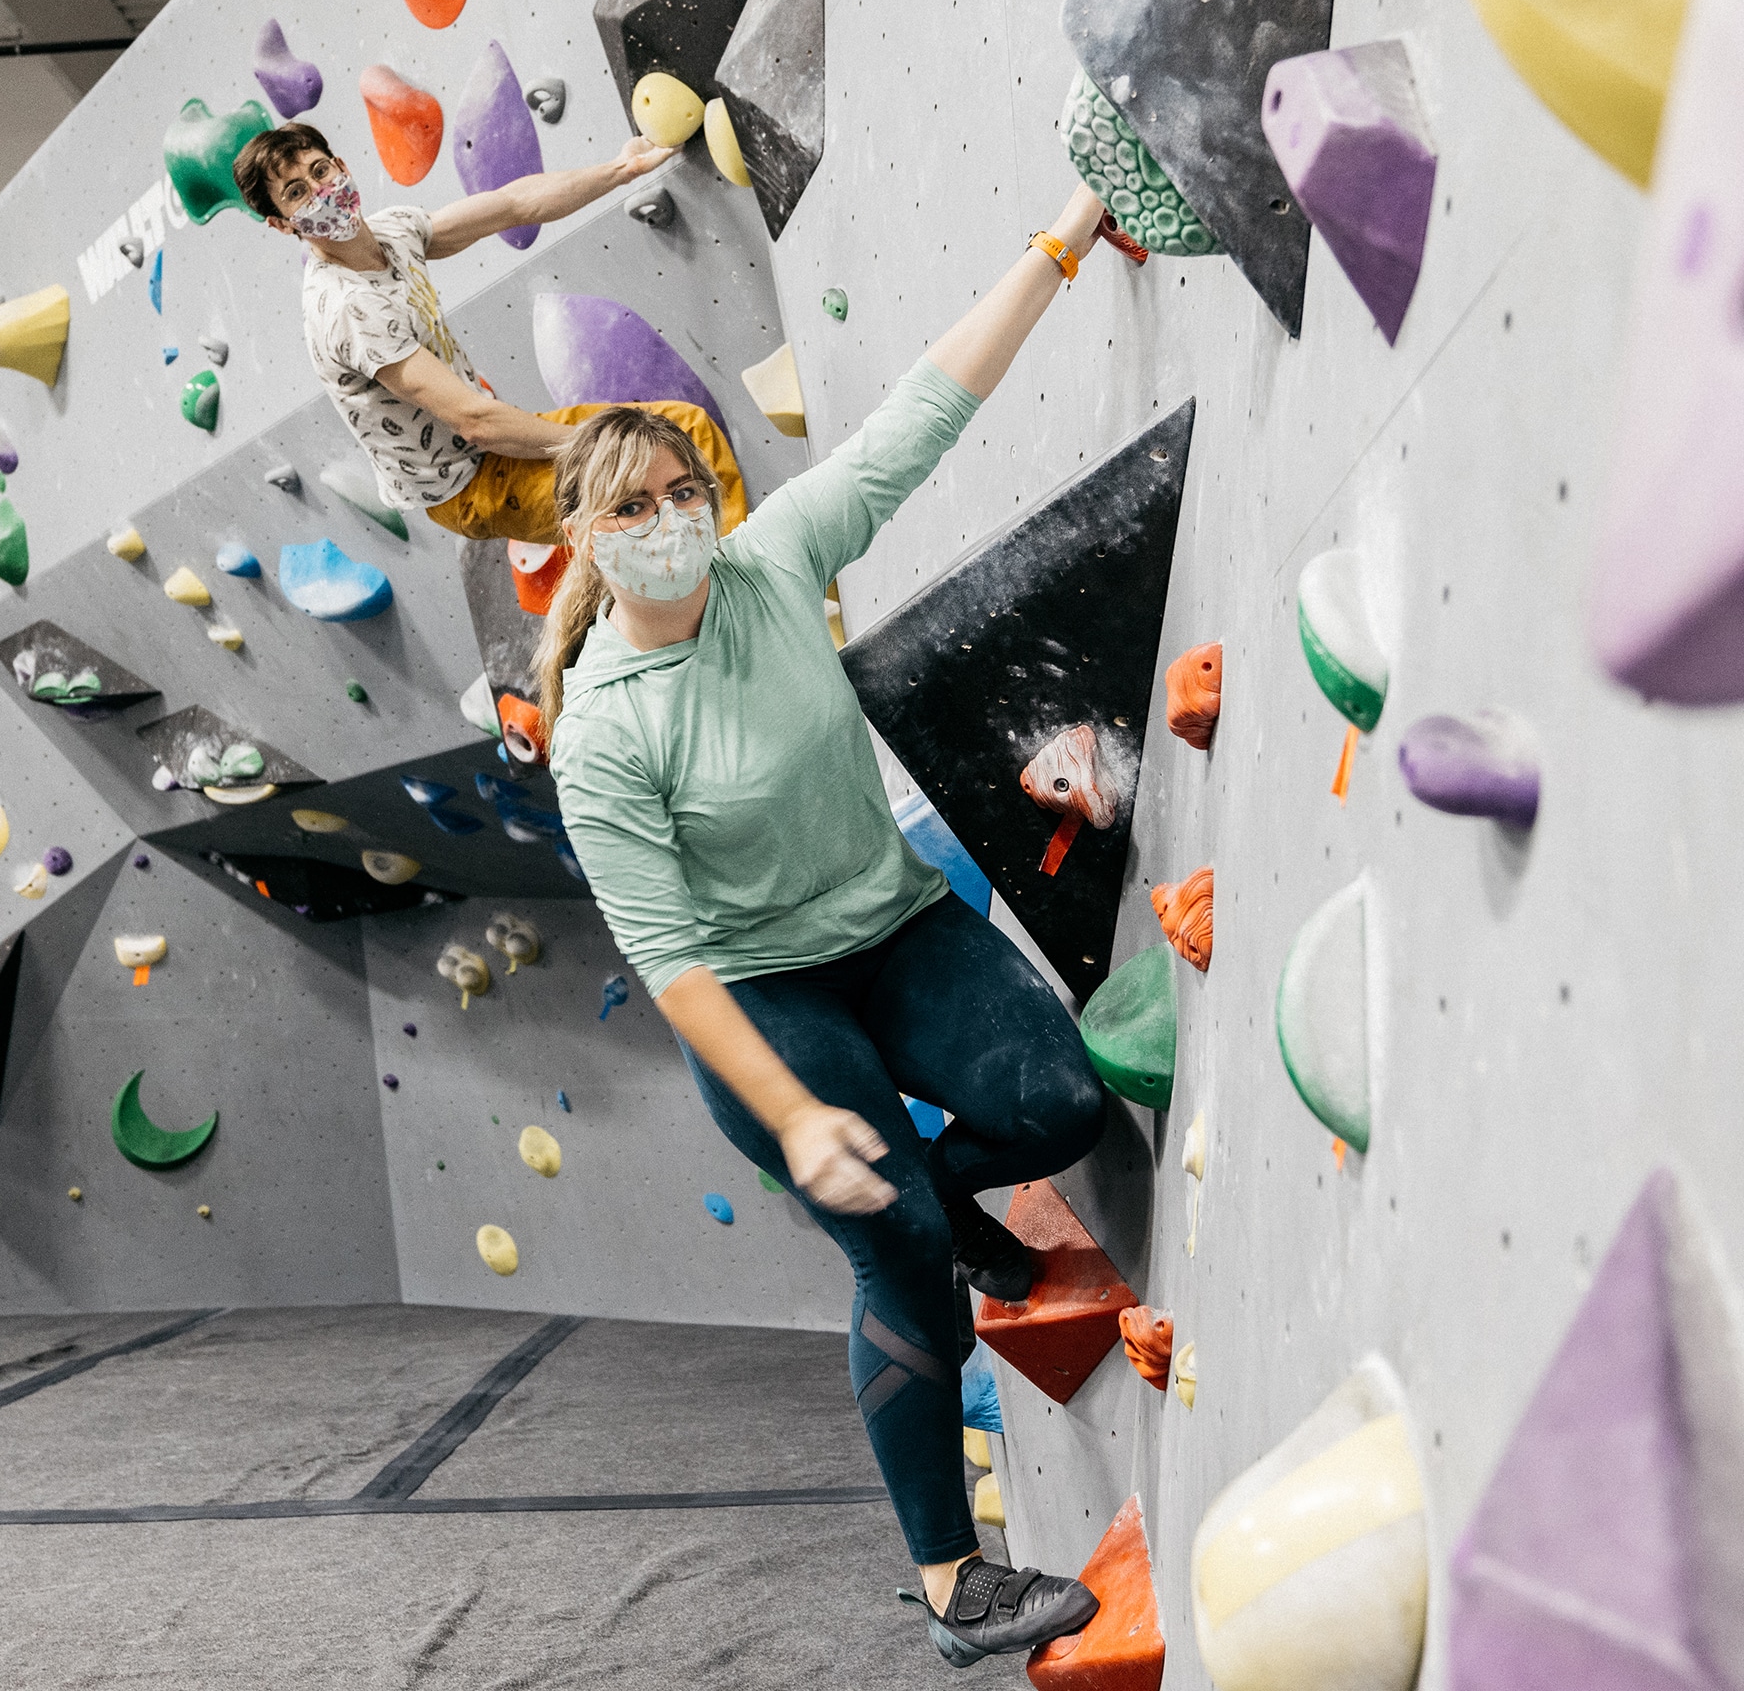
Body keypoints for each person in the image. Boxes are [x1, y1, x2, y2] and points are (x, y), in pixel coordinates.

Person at [539, 186, 1121, 1666]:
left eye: (684, 492)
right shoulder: (598, 733)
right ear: (586, 543)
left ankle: (945, 1202)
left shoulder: (772, 562)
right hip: (759, 1003)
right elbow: (670, 960)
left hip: (892, 927)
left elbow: (924, 414)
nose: (671, 522)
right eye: (634, 508)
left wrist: (1059, 239)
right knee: (896, 1248)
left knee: (1056, 1101)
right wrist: (796, 1118)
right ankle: (956, 1587)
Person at [229, 122, 748, 546]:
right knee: (654, 474)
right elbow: (475, 420)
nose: (321, 191)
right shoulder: (348, 309)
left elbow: (514, 204)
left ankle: (737, 587)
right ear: (283, 225)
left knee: (684, 431)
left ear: (341, 166)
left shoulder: (392, 232)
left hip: (492, 447)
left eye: (321, 171)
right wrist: (601, 446)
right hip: (469, 483)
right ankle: (741, 603)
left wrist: (620, 169)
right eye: (297, 193)